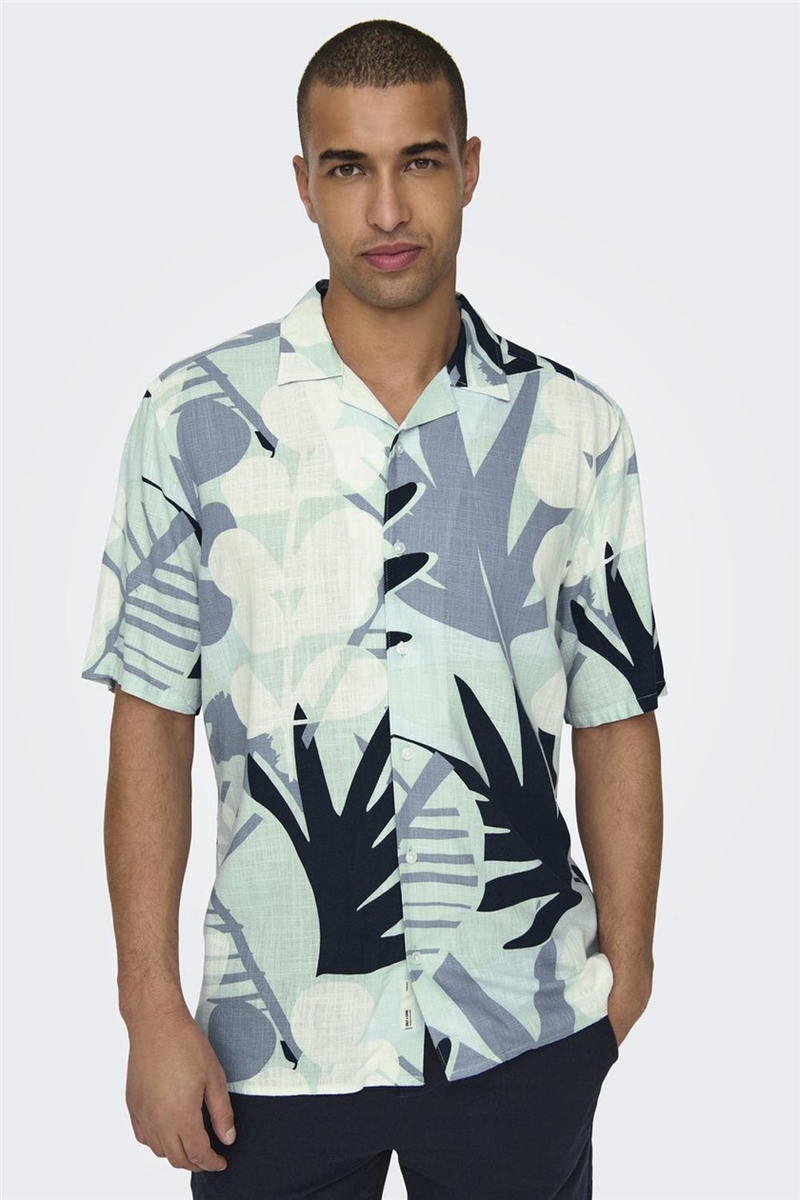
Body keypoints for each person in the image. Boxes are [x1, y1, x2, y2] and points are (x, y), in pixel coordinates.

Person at [81, 18, 667, 1200]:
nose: (388, 209)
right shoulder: (191, 420)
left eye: (420, 161)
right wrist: (149, 1009)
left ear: (469, 167)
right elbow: (150, 715)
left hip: (523, 1028)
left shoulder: (574, 429)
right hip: (265, 1044)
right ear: (304, 183)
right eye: (349, 167)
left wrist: (625, 978)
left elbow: (613, 714)